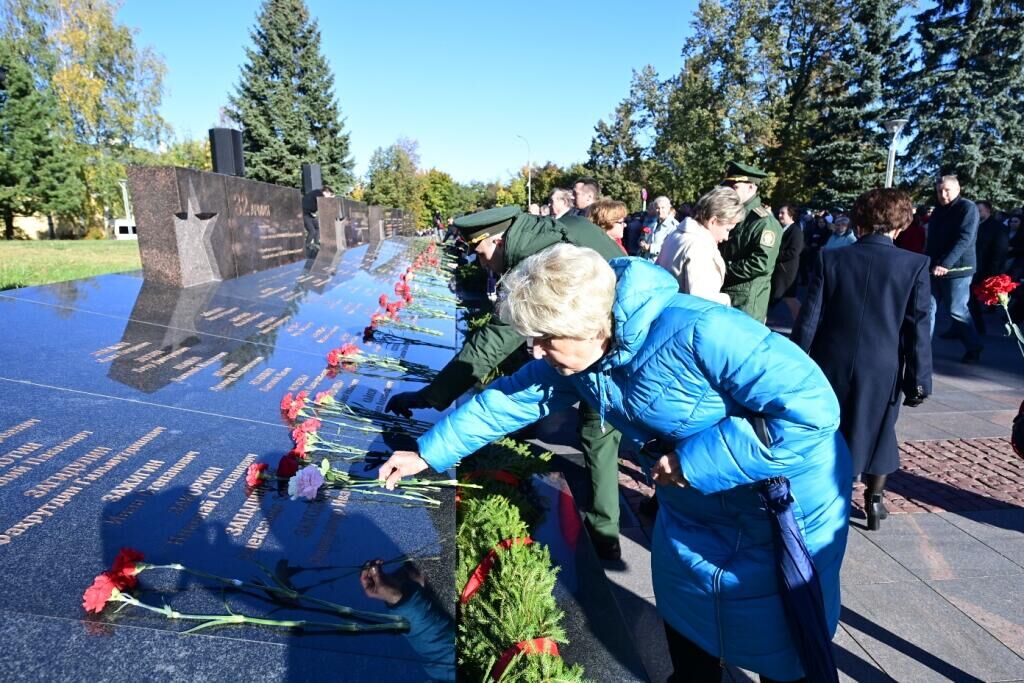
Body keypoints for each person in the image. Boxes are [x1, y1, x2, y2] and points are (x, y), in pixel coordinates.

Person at [380, 244, 850, 682]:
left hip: (779, 510)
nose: (535, 352)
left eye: (544, 339)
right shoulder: (582, 358)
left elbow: (812, 412)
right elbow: (506, 401)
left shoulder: (702, 331)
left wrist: (693, 463)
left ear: (587, 323)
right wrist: (426, 453)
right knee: (690, 619)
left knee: (781, 640)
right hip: (696, 511)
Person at [384, 206, 627, 560]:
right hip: (596, 349)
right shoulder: (555, 231)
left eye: (481, 254)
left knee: (599, 432)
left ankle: (604, 538)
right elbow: (508, 402)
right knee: (600, 433)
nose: (482, 264)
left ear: (497, 240)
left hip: (606, 352)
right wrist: (427, 453)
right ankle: (604, 537)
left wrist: (431, 396)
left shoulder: (538, 263)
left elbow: (493, 342)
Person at [792, 188, 932, 531]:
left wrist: (795, 363)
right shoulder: (914, 264)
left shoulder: (831, 258)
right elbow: (916, 330)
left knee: (830, 427)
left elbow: (810, 318)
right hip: (882, 364)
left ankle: (827, 493)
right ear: (900, 224)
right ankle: (873, 500)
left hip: (831, 358)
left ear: (860, 220)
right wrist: (919, 379)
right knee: (881, 428)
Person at [926, 175, 983, 363]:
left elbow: (964, 239)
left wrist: (945, 264)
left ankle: (974, 347)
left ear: (958, 189)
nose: (943, 194)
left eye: (947, 190)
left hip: (958, 269)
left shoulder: (967, 208)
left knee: (957, 310)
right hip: (935, 268)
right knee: (927, 309)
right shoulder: (938, 212)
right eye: (939, 191)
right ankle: (922, 349)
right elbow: (932, 240)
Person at [655, 186, 744, 304]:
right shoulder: (699, 246)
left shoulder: (677, 234)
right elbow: (701, 302)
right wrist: (726, 299)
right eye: (727, 229)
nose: (726, 237)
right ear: (713, 221)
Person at [718, 161, 783, 322]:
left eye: (735, 187)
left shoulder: (763, 222)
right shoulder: (734, 214)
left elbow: (760, 262)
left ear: (751, 187)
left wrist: (723, 269)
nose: (729, 191)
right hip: (725, 294)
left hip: (746, 301)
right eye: (728, 186)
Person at [970, 201, 1009, 333]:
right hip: (972, 266)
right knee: (967, 300)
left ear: (988, 211)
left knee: (970, 300)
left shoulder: (997, 228)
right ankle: (966, 328)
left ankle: (977, 328)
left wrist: (993, 273)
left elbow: (1000, 251)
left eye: (979, 211)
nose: (977, 213)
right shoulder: (974, 225)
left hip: (986, 269)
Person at [769, 203, 805, 321]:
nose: (779, 215)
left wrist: (775, 256)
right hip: (780, 271)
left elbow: (794, 251)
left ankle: (802, 323)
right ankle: (801, 322)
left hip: (786, 272)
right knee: (787, 298)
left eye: (782, 213)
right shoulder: (782, 229)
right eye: (779, 213)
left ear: (791, 215)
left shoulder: (796, 231)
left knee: (782, 298)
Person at [638, 196, 680, 261]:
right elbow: (644, 236)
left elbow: (672, 249)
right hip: (646, 261)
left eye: (663, 208)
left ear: (668, 208)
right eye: (657, 208)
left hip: (660, 265)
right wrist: (642, 241)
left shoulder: (674, 226)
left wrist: (650, 248)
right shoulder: (653, 223)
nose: (660, 211)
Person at [301, 184, 334, 256]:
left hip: (310, 214)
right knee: (312, 231)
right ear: (326, 192)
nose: (329, 197)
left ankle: (316, 243)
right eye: (330, 195)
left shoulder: (317, 194)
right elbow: (324, 205)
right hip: (304, 214)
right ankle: (307, 245)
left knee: (318, 227)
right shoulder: (318, 194)